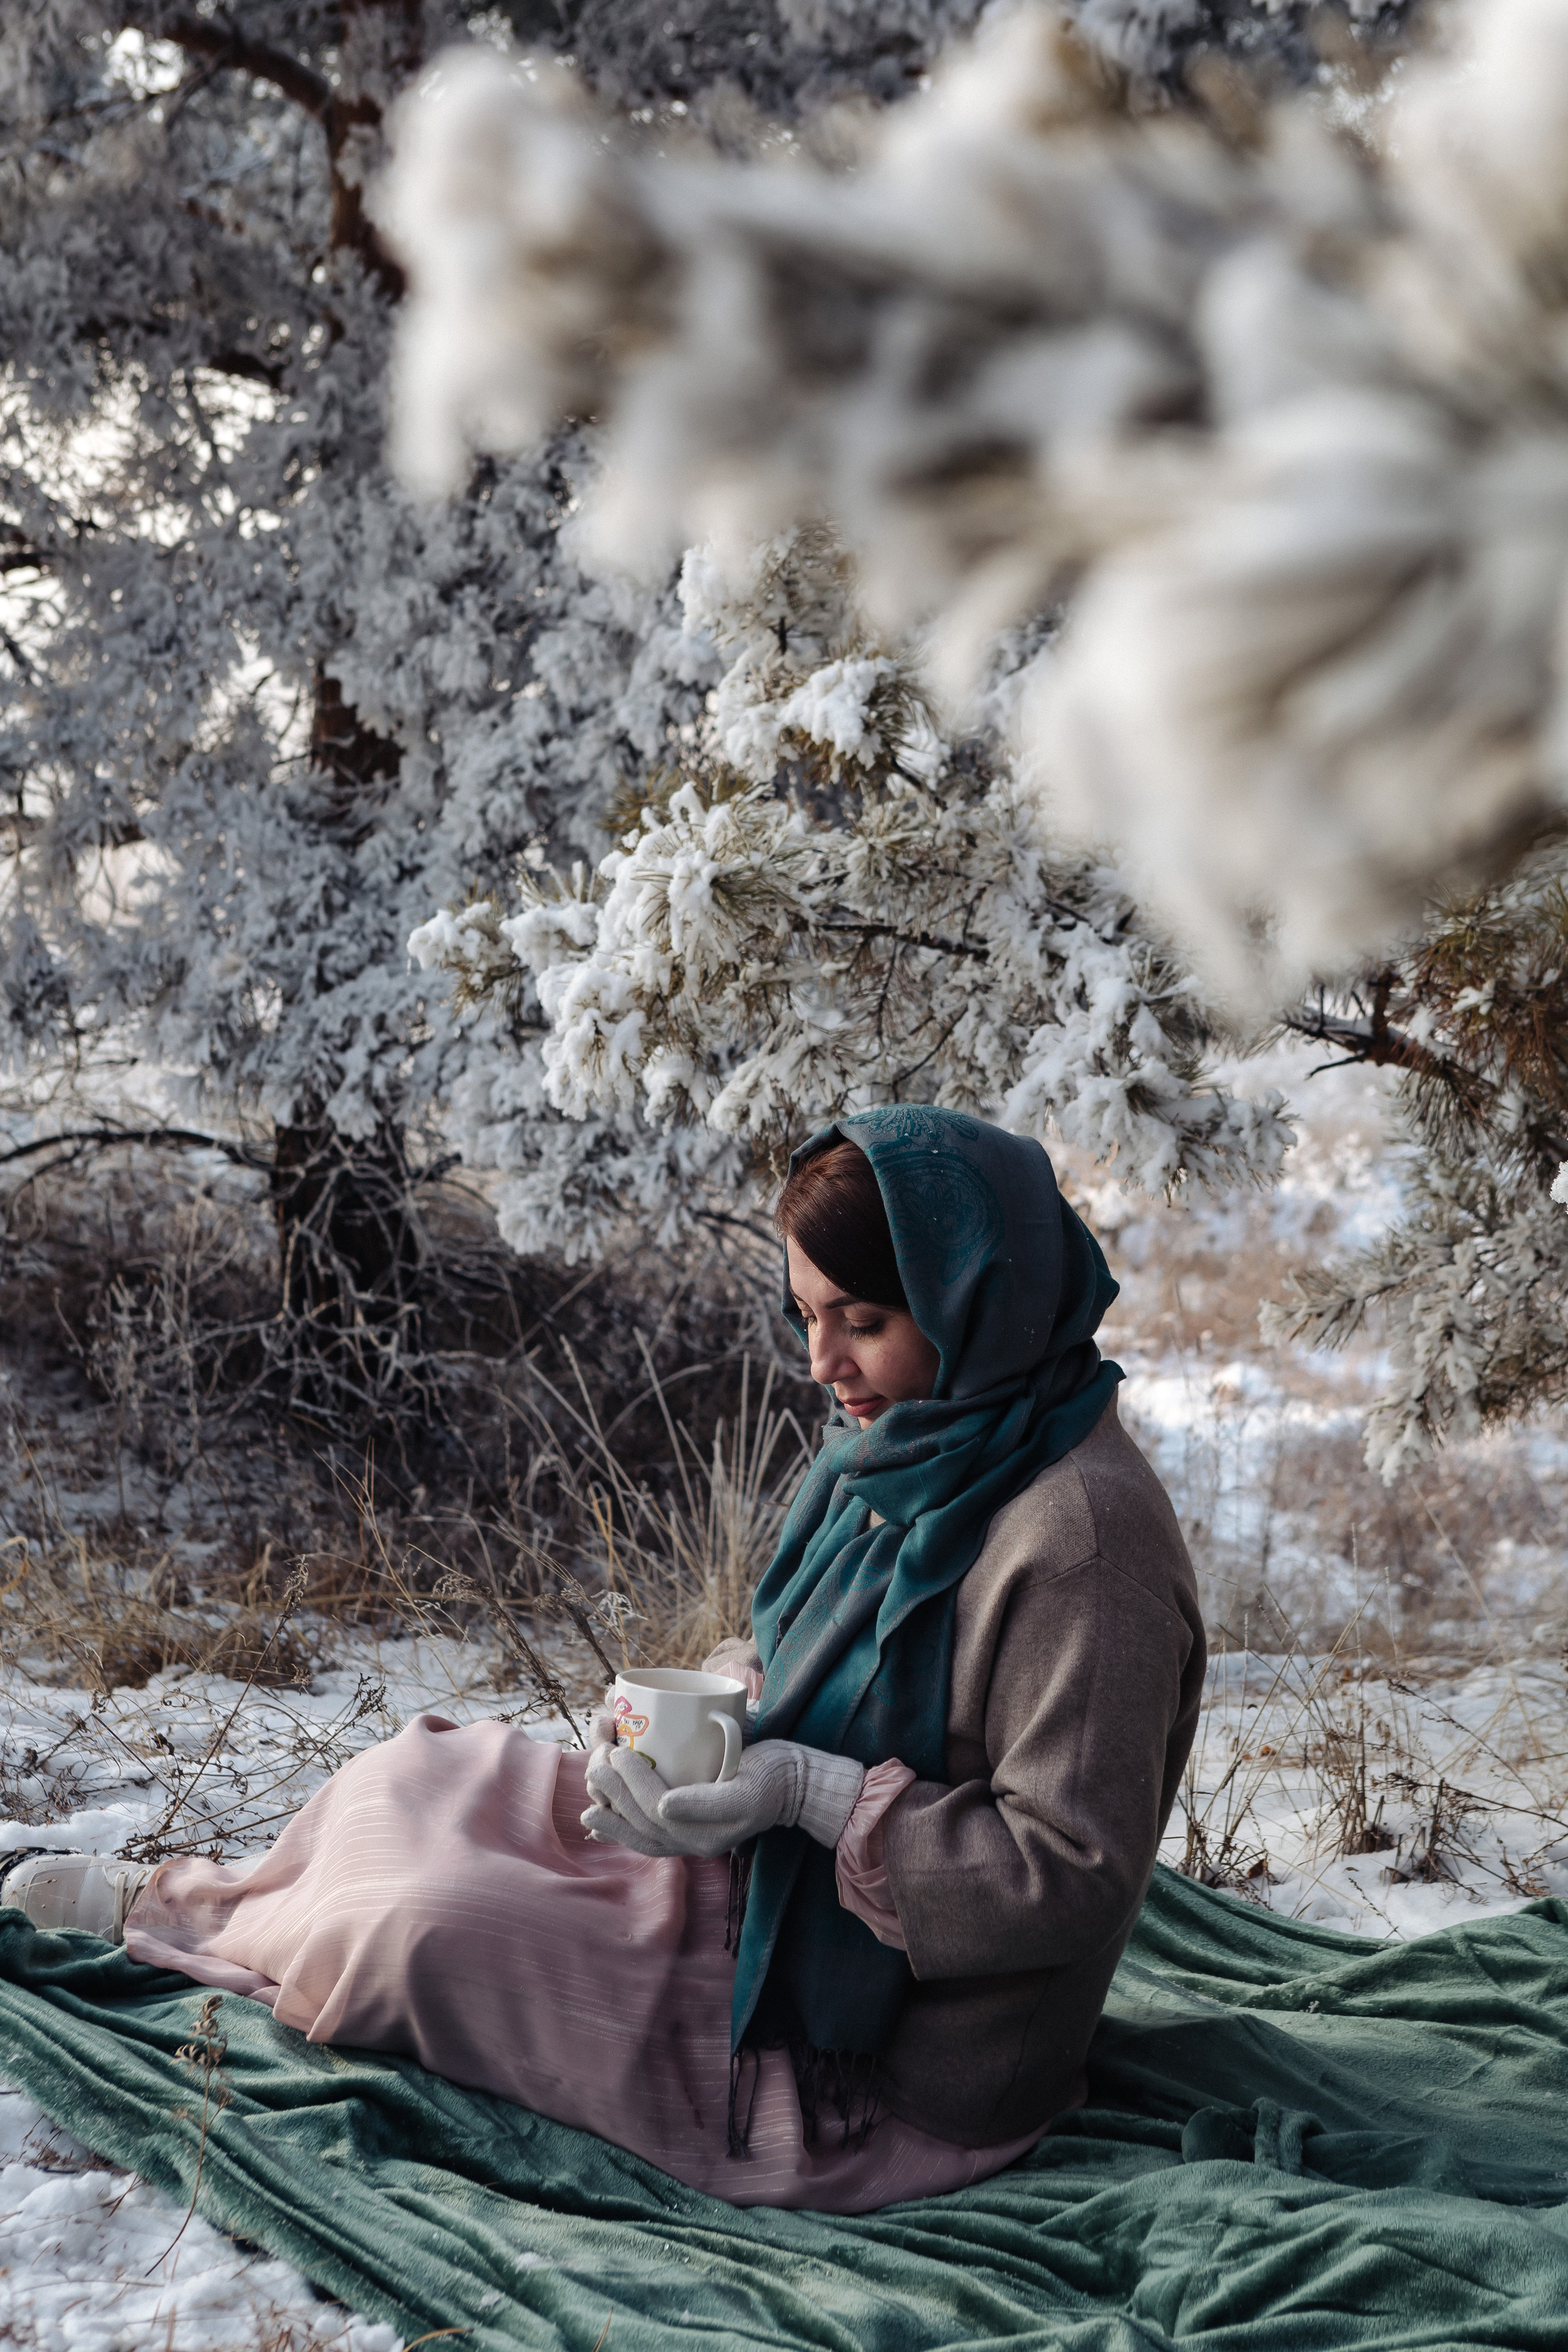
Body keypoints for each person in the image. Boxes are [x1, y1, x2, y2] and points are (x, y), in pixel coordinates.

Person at [1, 1107, 1204, 2213]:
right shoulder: (924, 1445)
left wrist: (802, 1790)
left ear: (974, 1300)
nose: (819, 1363)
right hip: (780, 1894)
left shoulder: (1080, 1538)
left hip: (872, 2051)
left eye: (864, 1322)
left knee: (432, 1929)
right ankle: (208, 1903)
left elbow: (1069, 1870)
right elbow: (827, 1663)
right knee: (421, 1782)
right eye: (807, 1315)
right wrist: (681, 1725)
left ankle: (173, 1921)